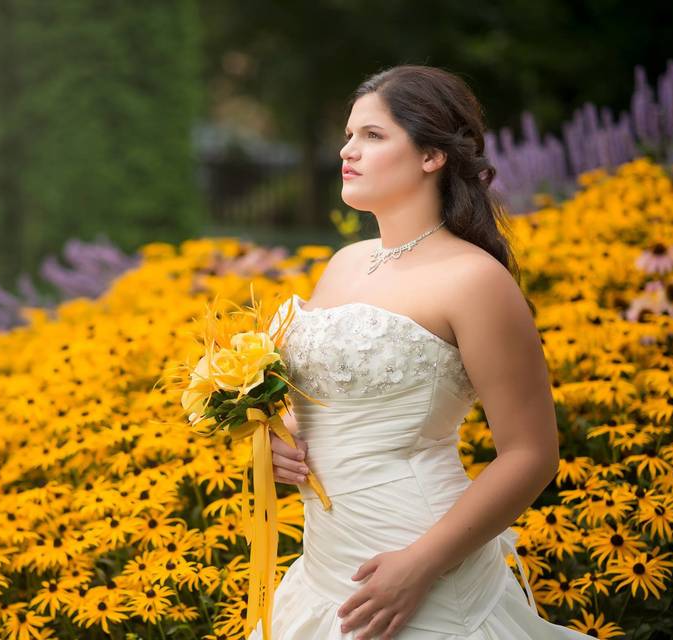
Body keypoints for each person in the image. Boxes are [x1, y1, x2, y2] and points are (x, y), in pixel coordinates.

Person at [251, 65, 590, 639]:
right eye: (349, 134)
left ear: (432, 156)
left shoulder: (474, 280)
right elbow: (332, 395)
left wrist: (422, 564)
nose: (347, 150)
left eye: (372, 136)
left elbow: (531, 453)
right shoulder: (344, 264)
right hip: (324, 565)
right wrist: (280, 437)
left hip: (420, 560)